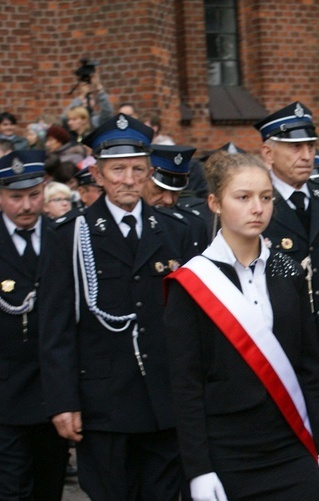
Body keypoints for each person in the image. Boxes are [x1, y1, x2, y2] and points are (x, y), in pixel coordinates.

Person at [37, 113, 206, 500]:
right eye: (117, 170)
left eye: (136, 169)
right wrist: (63, 401)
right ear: (97, 174)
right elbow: (56, 326)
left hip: (164, 403)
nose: (128, 179)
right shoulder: (70, 235)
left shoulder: (175, 230)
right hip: (104, 405)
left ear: (149, 172)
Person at [164, 151, 319, 501]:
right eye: (243, 198)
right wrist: (198, 468)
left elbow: (310, 368)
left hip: (290, 441)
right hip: (228, 450)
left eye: (265, 197)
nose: (257, 208)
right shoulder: (191, 284)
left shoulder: (288, 271)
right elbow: (186, 386)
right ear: (215, 203)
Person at [256, 102, 319, 473]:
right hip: (285, 355)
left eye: (310, 146)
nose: (306, 155)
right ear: (268, 152)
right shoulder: (259, 201)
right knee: (292, 460)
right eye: (295, 147)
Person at [0, 150, 69, 500]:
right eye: (15, 197)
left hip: (53, 392)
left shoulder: (65, 238)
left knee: (49, 485)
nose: (26, 206)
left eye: (33, 194)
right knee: (12, 489)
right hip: (6, 394)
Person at [142, 144, 211, 247]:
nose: (169, 200)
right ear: (141, 179)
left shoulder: (193, 223)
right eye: (160, 190)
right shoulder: (127, 220)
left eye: (175, 192)